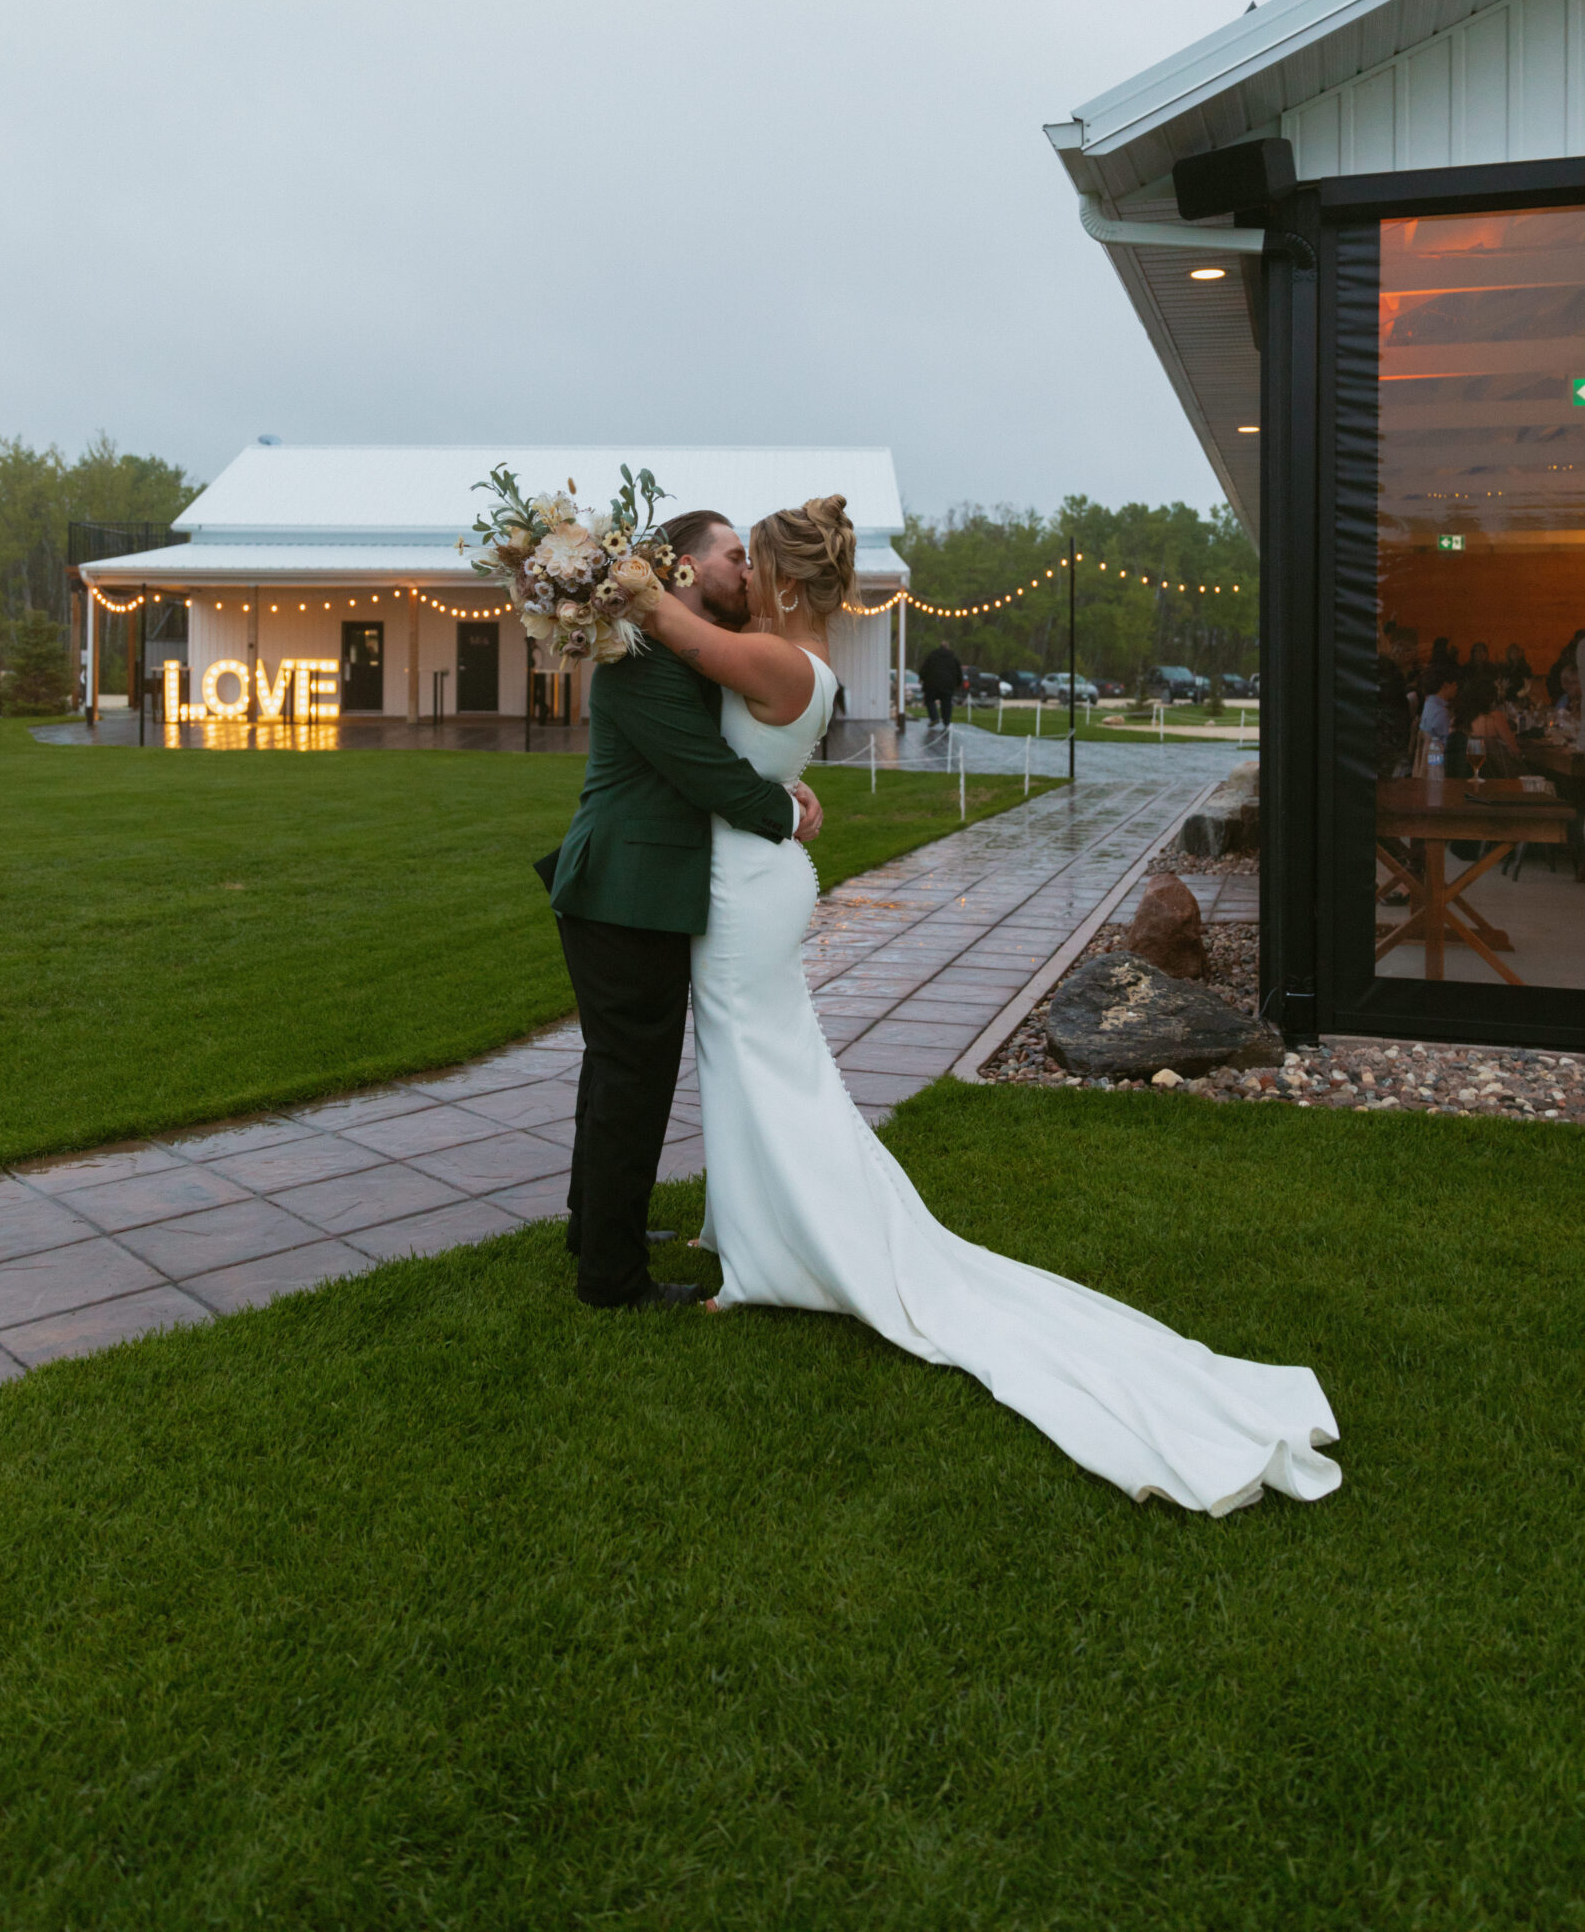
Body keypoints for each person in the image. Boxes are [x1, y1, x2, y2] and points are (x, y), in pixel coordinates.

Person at [639, 495, 1340, 1517]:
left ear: (782, 580)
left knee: (764, 1065)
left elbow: (667, 624)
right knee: (755, 1064)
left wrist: (593, 570)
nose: (737, 576)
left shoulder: (779, 661)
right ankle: (746, 1229)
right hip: (751, 877)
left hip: (748, 894)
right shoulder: (790, 651)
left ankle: (782, 1246)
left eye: (750, 562)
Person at [538, 510, 823, 1313]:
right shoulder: (643, 665)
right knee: (632, 1079)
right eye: (735, 556)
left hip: (628, 892)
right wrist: (786, 814)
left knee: (613, 1071)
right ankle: (613, 1279)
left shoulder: (672, 656)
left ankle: (594, 1227)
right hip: (625, 897)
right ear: (686, 570)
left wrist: (778, 780)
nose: (747, 571)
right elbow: (704, 774)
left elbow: (718, 756)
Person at [918, 639, 963, 731]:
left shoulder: (932, 656)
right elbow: (959, 673)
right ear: (948, 648)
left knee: (929, 700)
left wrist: (921, 677)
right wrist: (959, 683)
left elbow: (925, 668)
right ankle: (946, 722)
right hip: (948, 685)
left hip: (932, 684)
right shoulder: (954, 658)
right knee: (946, 703)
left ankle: (934, 717)